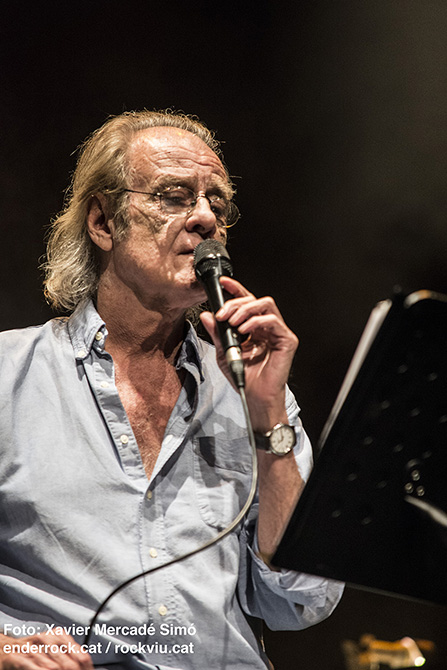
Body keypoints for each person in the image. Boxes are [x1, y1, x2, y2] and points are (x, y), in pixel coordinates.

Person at [0, 110, 343, 670]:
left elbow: (304, 599)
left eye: (217, 203)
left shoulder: (251, 389)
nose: (206, 218)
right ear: (103, 222)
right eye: (175, 196)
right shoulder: (9, 377)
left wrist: (268, 417)